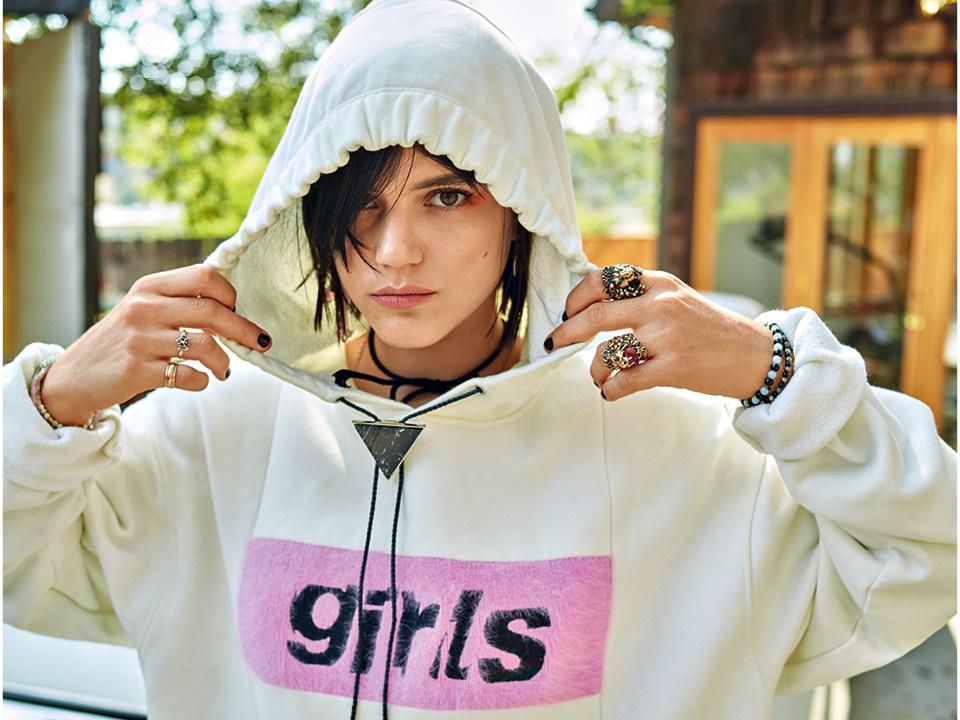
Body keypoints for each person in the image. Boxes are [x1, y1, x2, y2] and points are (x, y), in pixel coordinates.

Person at [3, 0, 956, 718]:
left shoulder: (678, 448)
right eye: (362, 202)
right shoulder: (211, 432)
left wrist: (779, 372)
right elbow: (21, 570)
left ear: (520, 213)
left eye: (448, 197)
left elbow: (929, 551)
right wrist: (49, 402)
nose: (395, 252)